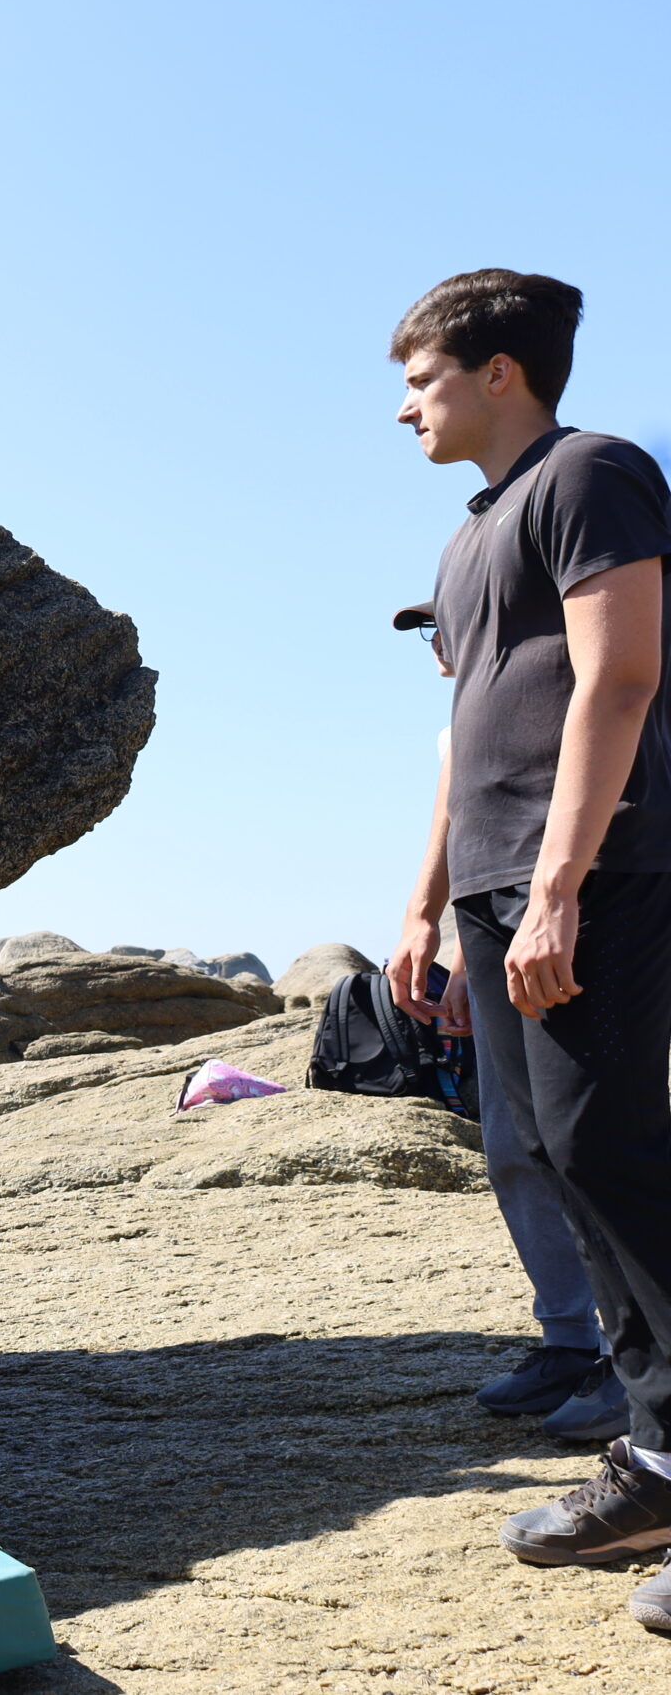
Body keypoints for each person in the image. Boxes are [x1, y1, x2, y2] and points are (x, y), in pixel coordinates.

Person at [382, 269, 671, 1634]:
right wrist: (424, 905)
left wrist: (558, 886)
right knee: (559, 1154)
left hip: (596, 872)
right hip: (496, 885)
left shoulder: (589, 474)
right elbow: (465, 734)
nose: (405, 409)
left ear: (499, 370)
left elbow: (621, 676)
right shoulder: (466, 537)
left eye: (421, 379)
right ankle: (656, 1460)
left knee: (613, 1149)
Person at [392, 603, 623, 1442]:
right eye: (432, 630)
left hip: (585, 914)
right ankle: (571, 1340)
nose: (440, 645)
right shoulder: (464, 719)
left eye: (446, 624)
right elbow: (457, 815)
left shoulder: (563, 686)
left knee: (591, 1141)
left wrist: (558, 905)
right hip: (491, 925)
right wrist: (440, 929)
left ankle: (632, 1361)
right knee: (513, 1143)